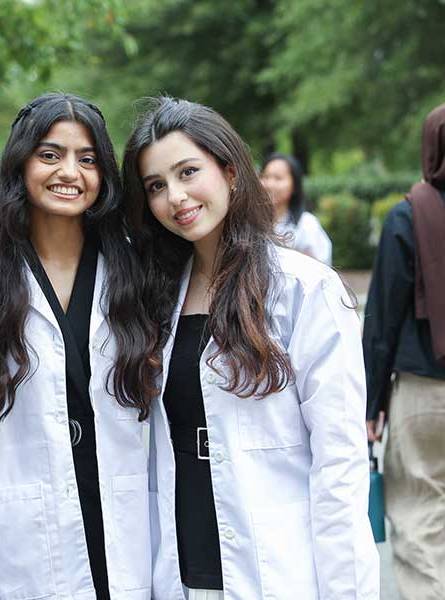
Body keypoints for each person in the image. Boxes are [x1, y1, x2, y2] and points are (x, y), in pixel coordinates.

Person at [121, 97, 379, 600]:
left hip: (278, 571)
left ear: (231, 171)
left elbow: (340, 464)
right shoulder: (156, 296)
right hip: (183, 570)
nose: (175, 196)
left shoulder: (303, 290)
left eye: (188, 172)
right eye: (156, 186)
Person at [0, 93, 159, 600]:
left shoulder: (136, 273)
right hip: (24, 524)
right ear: (21, 162)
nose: (69, 171)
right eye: (50, 155)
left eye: (87, 159)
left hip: (120, 508)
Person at [363, 103, 445, 600]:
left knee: (420, 517)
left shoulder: (407, 217)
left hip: (424, 394)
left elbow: (382, 321)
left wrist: (370, 403)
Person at [260, 152, 332, 265]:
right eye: (265, 177)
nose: (269, 184)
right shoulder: (251, 221)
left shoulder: (307, 224)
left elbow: (321, 267)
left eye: (278, 178)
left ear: (294, 185)